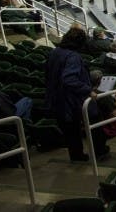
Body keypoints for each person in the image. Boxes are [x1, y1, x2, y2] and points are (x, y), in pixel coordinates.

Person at [46, 25, 107, 161]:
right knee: (94, 121)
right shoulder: (73, 57)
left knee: (71, 130)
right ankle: (100, 151)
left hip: (57, 97)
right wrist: (88, 90)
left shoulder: (54, 52)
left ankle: (77, 155)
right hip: (72, 99)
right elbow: (69, 79)